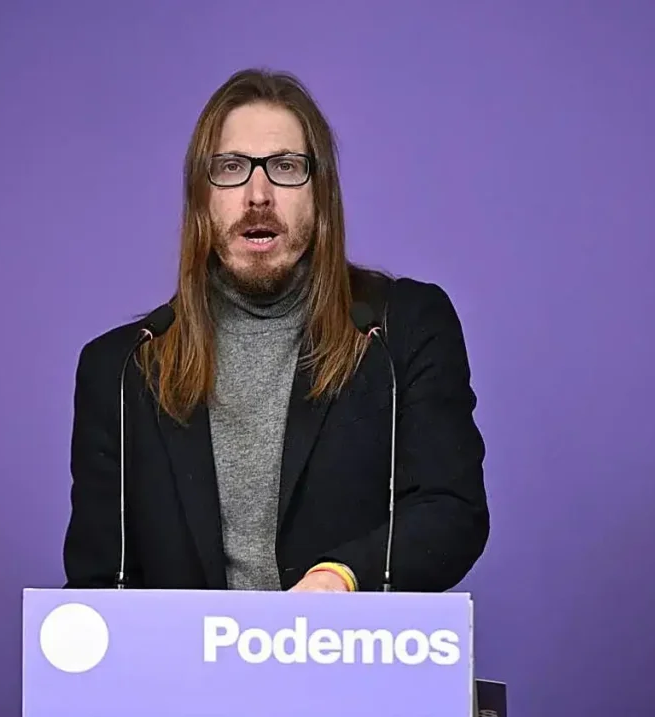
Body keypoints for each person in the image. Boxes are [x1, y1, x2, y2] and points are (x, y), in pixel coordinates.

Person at [62, 68, 488, 593]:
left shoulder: (400, 330)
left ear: (320, 193)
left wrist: (340, 579)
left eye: (285, 167)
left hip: (350, 665)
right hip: (188, 675)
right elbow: (99, 587)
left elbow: (452, 508)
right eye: (232, 168)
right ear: (201, 197)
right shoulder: (121, 371)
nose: (258, 194)